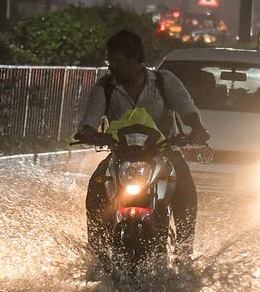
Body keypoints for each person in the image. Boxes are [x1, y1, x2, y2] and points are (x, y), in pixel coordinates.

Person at [73, 29, 210, 258]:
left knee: (185, 188)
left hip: (165, 154)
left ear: (135, 59)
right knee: (96, 186)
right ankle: (96, 254)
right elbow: (90, 120)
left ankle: (184, 253)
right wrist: (87, 133)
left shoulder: (164, 82)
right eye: (110, 61)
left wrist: (196, 129)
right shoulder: (105, 87)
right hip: (121, 155)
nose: (111, 66)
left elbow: (188, 111)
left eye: (117, 61)